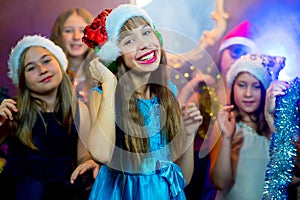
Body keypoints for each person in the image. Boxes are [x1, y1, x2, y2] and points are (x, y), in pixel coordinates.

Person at [82, 4, 202, 199]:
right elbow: (101, 154)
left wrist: (189, 135)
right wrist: (110, 83)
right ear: (115, 54)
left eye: (147, 32)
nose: (144, 44)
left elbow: (182, 180)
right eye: (129, 41)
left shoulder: (168, 92)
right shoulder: (103, 95)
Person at [0, 35, 99, 199]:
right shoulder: (14, 110)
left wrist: (88, 162)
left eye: (46, 61)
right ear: (22, 80)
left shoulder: (78, 110)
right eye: (31, 68)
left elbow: (83, 156)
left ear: (60, 64)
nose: (42, 70)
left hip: (60, 192)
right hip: (18, 191)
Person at [178, 20, 257, 199]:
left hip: (234, 168)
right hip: (199, 166)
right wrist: (191, 86)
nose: (238, 61)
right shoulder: (207, 89)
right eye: (234, 54)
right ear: (222, 54)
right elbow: (177, 118)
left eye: (245, 56)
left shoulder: (251, 96)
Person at [209, 54, 273, 199]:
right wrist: (227, 137)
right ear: (233, 87)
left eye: (256, 86)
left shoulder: (273, 129)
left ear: (264, 90)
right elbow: (220, 183)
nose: (248, 94)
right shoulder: (225, 124)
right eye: (242, 85)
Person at [50, 7, 96, 104]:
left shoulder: (104, 71)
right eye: (68, 31)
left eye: (83, 31)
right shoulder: (49, 73)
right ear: (58, 35)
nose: (76, 37)